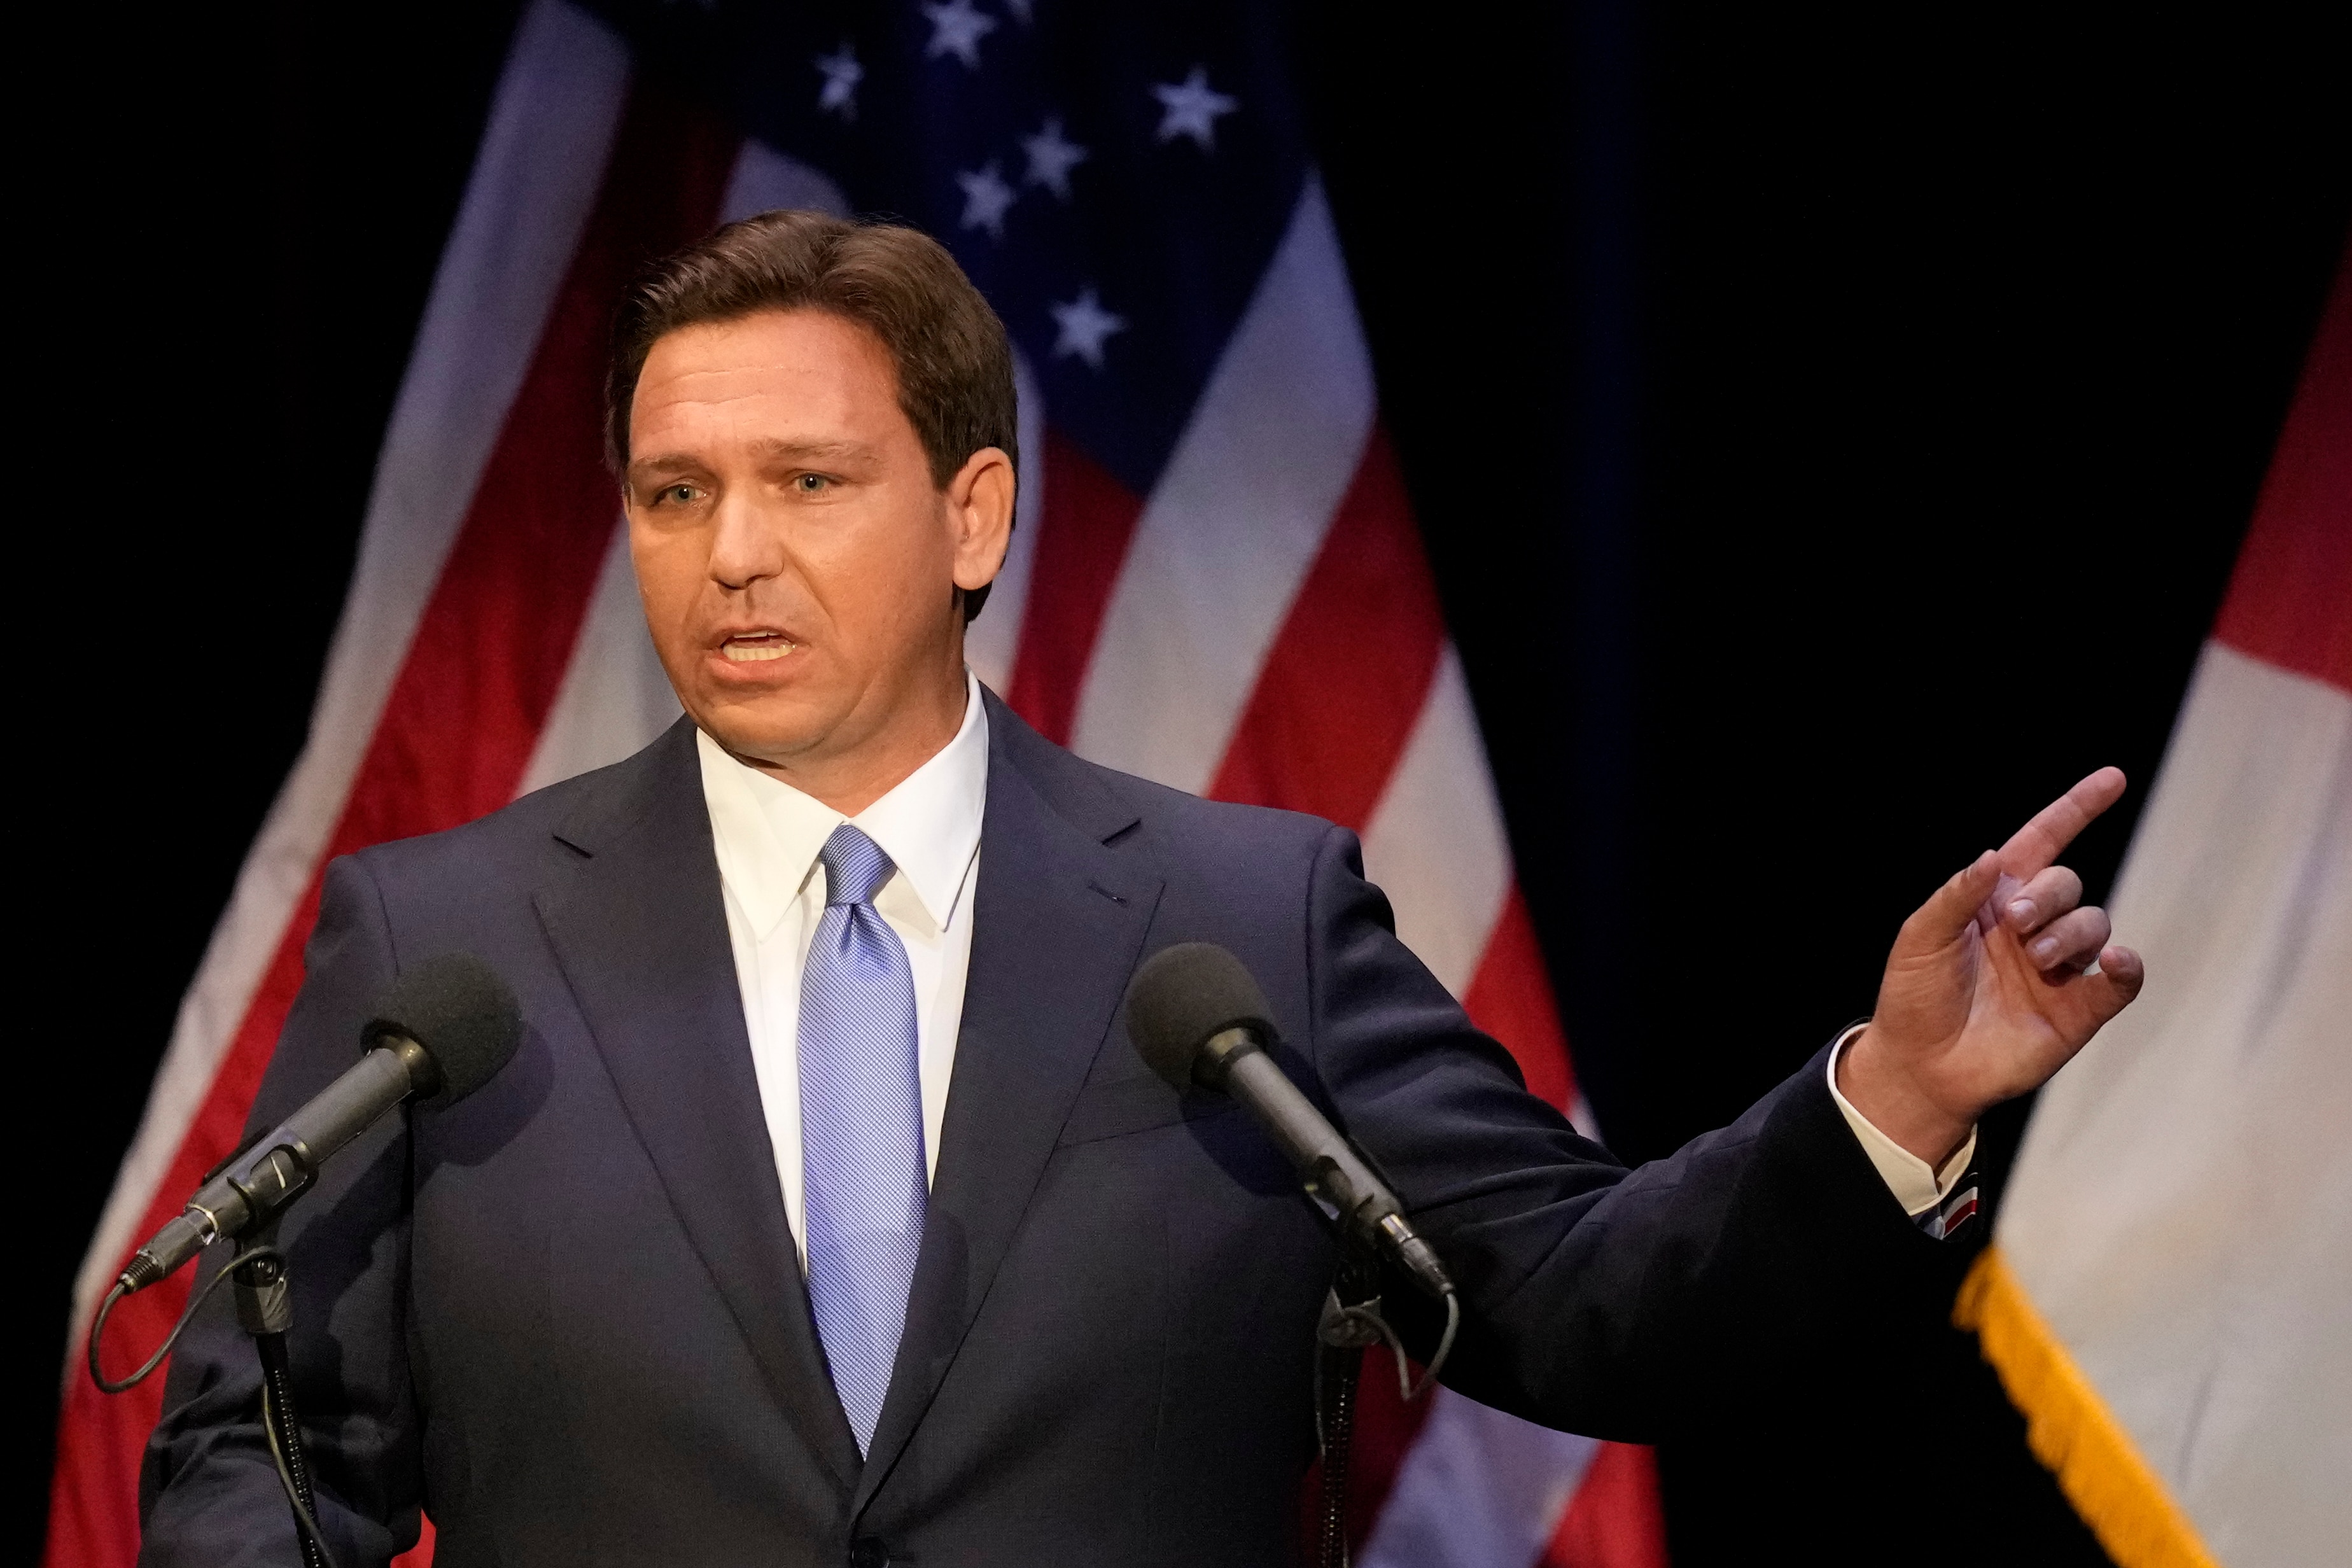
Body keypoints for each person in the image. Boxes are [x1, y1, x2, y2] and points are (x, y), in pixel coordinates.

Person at [141, 211, 2143, 1567]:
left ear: (973, 513)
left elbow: (1577, 1305)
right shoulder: (452, 945)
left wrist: (1892, 1099)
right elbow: (262, 1451)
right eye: (676, 494)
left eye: (807, 481)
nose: (728, 552)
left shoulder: (1239, 925)